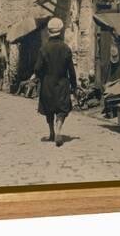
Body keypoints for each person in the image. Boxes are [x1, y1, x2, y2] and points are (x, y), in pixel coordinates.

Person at [32, 17, 77, 147]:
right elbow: (71, 70)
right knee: (62, 109)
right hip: (62, 82)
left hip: (47, 83)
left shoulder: (44, 49)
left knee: (49, 108)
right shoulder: (66, 48)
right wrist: (74, 86)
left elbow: (37, 68)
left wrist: (41, 77)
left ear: (49, 32)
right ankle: (58, 131)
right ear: (61, 31)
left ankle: (52, 133)